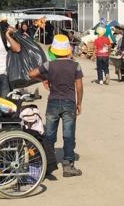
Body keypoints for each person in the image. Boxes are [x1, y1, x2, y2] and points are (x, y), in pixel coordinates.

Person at [28, 34, 83, 177]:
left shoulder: (49, 65)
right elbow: (79, 86)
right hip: (69, 103)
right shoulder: (75, 65)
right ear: (68, 50)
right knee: (69, 135)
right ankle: (68, 165)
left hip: (53, 102)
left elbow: (31, 74)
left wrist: (44, 79)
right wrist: (79, 103)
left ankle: (47, 163)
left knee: (50, 135)